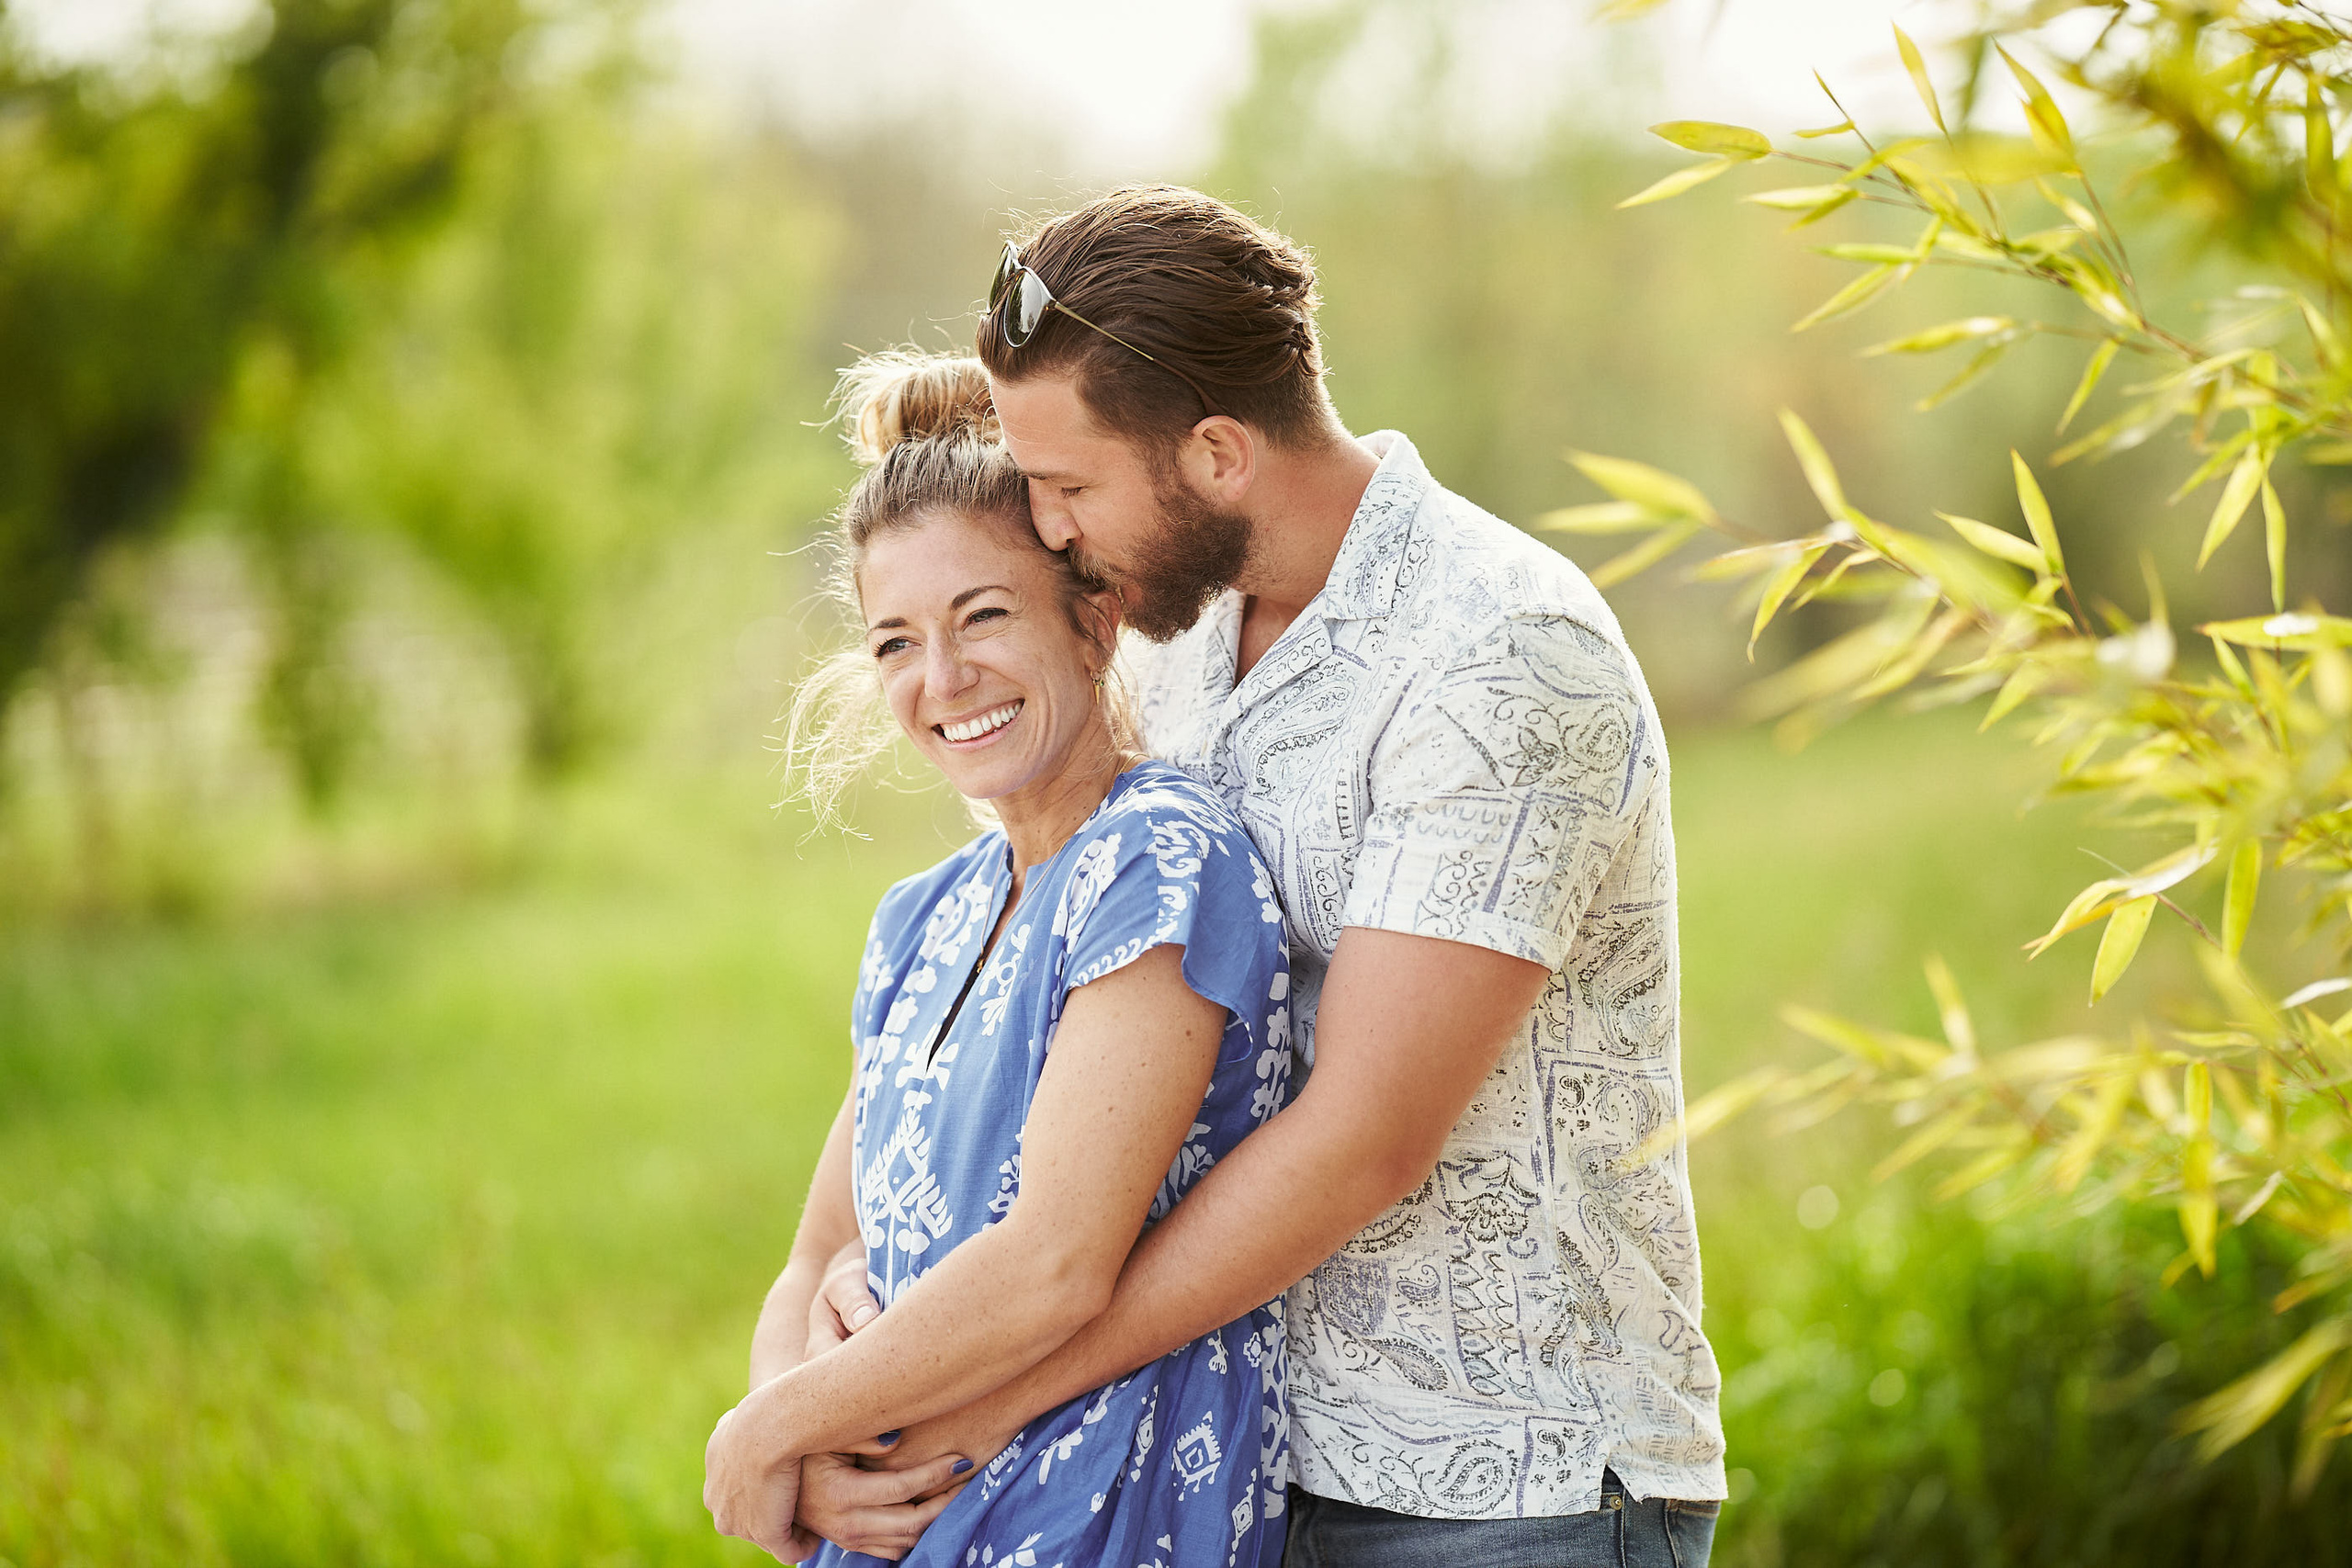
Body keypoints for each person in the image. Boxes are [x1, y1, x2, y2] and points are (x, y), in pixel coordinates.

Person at [788, 186, 1728, 1567]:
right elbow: (1048, 966)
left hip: (1496, 1482)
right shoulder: (1176, 626)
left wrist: (981, 1404)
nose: (1049, 529)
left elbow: (1364, 1140)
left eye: (1069, 488)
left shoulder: (1499, 652)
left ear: (1217, 453)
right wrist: (852, 1282)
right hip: (1242, 1456)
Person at [702, 352, 1295, 1568]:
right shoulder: (924, 918)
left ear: (1095, 619)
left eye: (983, 617)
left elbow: (1056, 1265)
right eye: (895, 643)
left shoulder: (1155, 860)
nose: (942, 679)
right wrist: (798, 1446)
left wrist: (769, 1431)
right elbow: (817, 1251)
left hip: (1091, 1518)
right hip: (908, 1527)